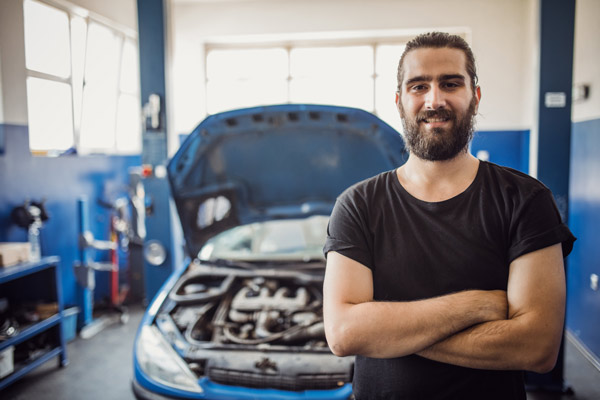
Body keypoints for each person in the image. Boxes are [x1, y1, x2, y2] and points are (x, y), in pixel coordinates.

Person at [322, 32, 576, 400]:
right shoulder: (358, 205)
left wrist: (388, 331)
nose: (434, 99)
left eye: (450, 83)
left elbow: (536, 347)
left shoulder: (525, 200)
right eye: (419, 85)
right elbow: (345, 334)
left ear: (475, 95)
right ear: (399, 101)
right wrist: (477, 305)